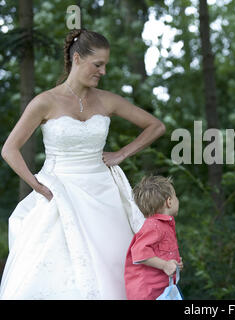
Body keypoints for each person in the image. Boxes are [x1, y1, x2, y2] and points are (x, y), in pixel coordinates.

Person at [0, 29, 165, 299]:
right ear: (77, 59)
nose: (103, 71)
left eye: (105, 66)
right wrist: (36, 184)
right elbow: (9, 149)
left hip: (104, 194)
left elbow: (155, 126)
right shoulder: (45, 102)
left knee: (114, 261)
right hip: (60, 191)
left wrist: (121, 153)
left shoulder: (107, 99)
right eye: (97, 64)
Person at [124, 175, 183, 300]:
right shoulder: (153, 225)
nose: (177, 200)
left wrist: (174, 262)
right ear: (169, 201)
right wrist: (165, 265)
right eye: (175, 196)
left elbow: (160, 252)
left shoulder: (163, 225)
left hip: (160, 290)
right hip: (147, 292)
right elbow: (139, 253)